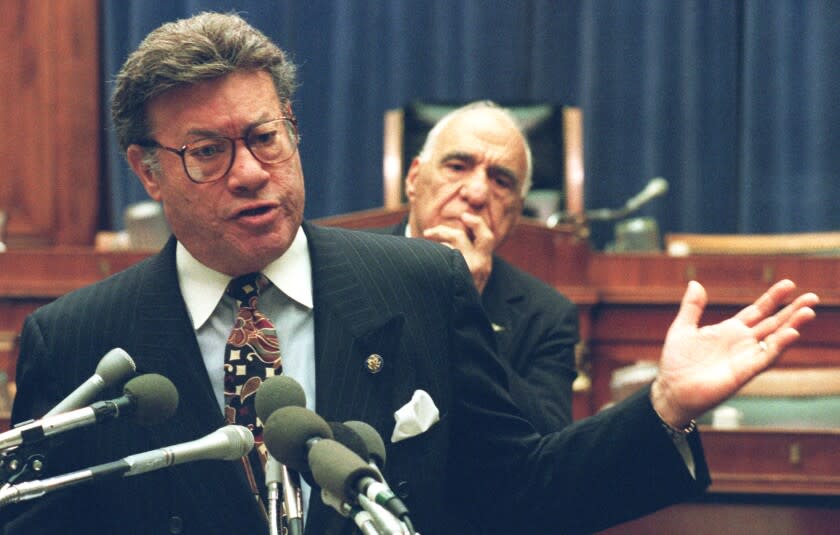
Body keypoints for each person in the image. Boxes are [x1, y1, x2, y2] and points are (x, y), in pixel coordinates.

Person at [3, 12, 818, 535]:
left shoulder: (420, 284)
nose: (250, 172)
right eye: (208, 151)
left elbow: (521, 490)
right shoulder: (77, 339)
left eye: (266, 137)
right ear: (147, 172)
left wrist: (664, 407)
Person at [379, 101, 579, 433]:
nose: (476, 193)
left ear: (514, 216)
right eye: (458, 166)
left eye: (501, 181)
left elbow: (545, 446)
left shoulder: (548, 316)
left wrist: (466, 312)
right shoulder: (344, 266)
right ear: (413, 179)